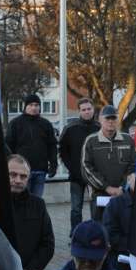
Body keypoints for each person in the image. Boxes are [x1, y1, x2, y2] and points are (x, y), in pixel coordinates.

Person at [59, 98, 101, 231]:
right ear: (79, 111)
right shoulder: (70, 128)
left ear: (93, 109)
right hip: (76, 176)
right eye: (84, 110)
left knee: (96, 207)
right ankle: (76, 234)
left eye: (89, 109)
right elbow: (62, 150)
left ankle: (96, 233)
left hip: (95, 177)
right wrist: (72, 168)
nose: (87, 112)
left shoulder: (100, 128)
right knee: (76, 208)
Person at [6, 94, 58, 197]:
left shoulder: (46, 124)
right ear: (25, 107)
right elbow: (8, 146)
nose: (34, 107)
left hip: (40, 171)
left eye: (36, 105)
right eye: (30, 105)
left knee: (36, 202)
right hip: (21, 172)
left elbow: (52, 146)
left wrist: (53, 164)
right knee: (20, 200)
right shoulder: (15, 123)